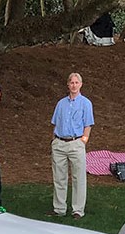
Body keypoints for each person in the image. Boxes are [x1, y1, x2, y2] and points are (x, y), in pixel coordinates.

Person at [47, 72, 94, 218]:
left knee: (78, 178)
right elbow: (55, 123)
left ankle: (78, 210)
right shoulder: (61, 103)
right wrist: (54, 141)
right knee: (59, 177)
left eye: (76, 83)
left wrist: (83, 140)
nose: (74, 85)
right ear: (68, 85)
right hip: (59, 143)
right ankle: (59, 208)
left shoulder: (85, 103)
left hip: (76, 143)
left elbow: (88, 124)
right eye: (71, 82)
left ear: (81, 84)